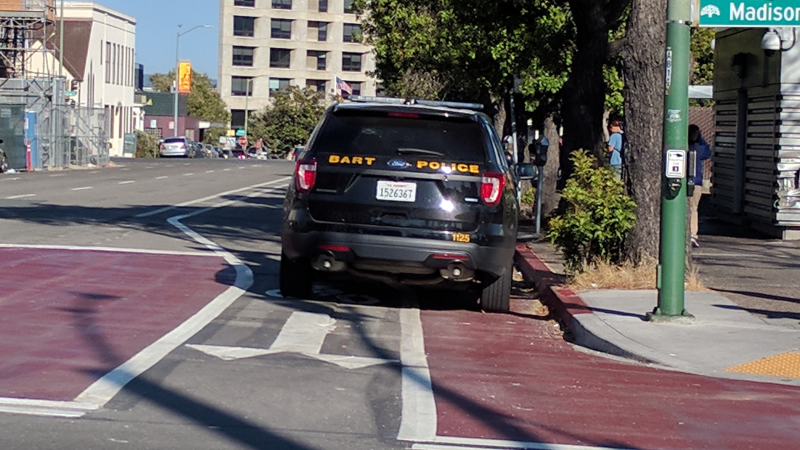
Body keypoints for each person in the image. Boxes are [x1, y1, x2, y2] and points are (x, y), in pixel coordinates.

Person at [688, 124, 712, 248]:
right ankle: (692, 234)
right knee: (693, 208)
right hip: (696, 182)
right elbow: (708, 152)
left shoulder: (682, 147)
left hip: (683, 181)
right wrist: (700, 138)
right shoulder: (699, 149)